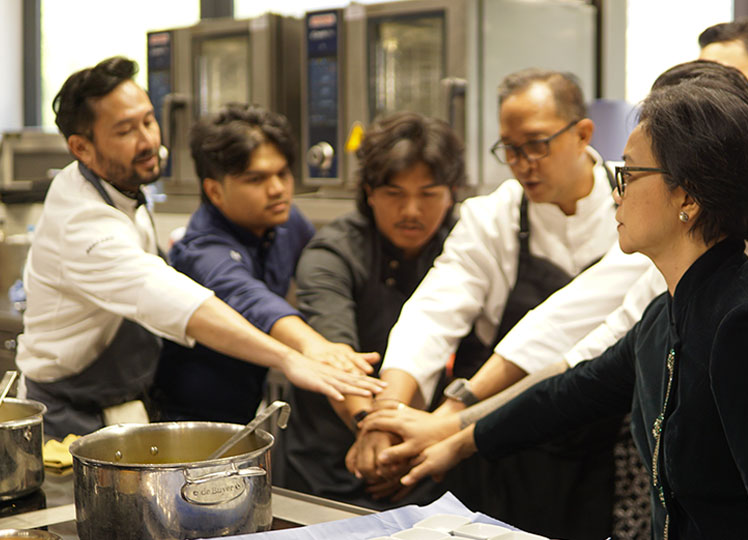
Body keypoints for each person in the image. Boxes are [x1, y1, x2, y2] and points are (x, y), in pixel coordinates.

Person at [365, 56, 748, 540]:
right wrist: (454, 439)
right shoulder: (667, 309)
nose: (615, 191)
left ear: (689, 199)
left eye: (630, 173)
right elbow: (577, 382)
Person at [16, 57, 384, 439]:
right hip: (64, 412)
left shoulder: (118, 188)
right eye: (126, 131)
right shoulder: (83, 222)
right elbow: (174, 298)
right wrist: (289, 356)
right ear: (82, 148)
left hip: (120, 403)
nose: (148, 141)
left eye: (148, 120)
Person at [351, 68, 621, 538]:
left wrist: (448, 415)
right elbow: (434, 311)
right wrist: (388, 413)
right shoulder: (492, 215)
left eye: (536, 144)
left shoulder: (631, 206)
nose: (522, 163)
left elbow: (559, 326)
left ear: (582, 134)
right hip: (496, 447)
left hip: (601, 446)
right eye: (509, 148)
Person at [278, 112, 464, 508]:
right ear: (369, 193)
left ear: (451, 194)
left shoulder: (466, 248)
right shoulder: (333, 253)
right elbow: (335, 354)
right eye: (395, 194)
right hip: (326, 466)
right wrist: (373, 429)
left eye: (428, 194)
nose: (412, 210)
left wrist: (412, 447)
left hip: (429, 460)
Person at [151, 103, 378, 424]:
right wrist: (311, 345)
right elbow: (249, 297)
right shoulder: (200, 249)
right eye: (256, 179)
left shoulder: (287, 222)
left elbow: (319, 276)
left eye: (282, 174)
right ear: (214, 191)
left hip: (246, 406)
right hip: (187, 417)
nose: (277, 190)